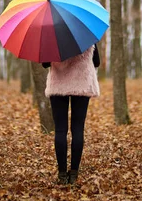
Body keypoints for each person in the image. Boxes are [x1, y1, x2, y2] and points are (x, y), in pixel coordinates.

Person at [42, 44, 100, 185]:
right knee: (78, 129)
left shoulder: (52, 38)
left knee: (60, 130)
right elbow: (97, 61)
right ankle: (74, 173)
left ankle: (62, 174)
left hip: (58, 85)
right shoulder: (87, 36)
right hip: (81, 84)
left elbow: (45, 64)